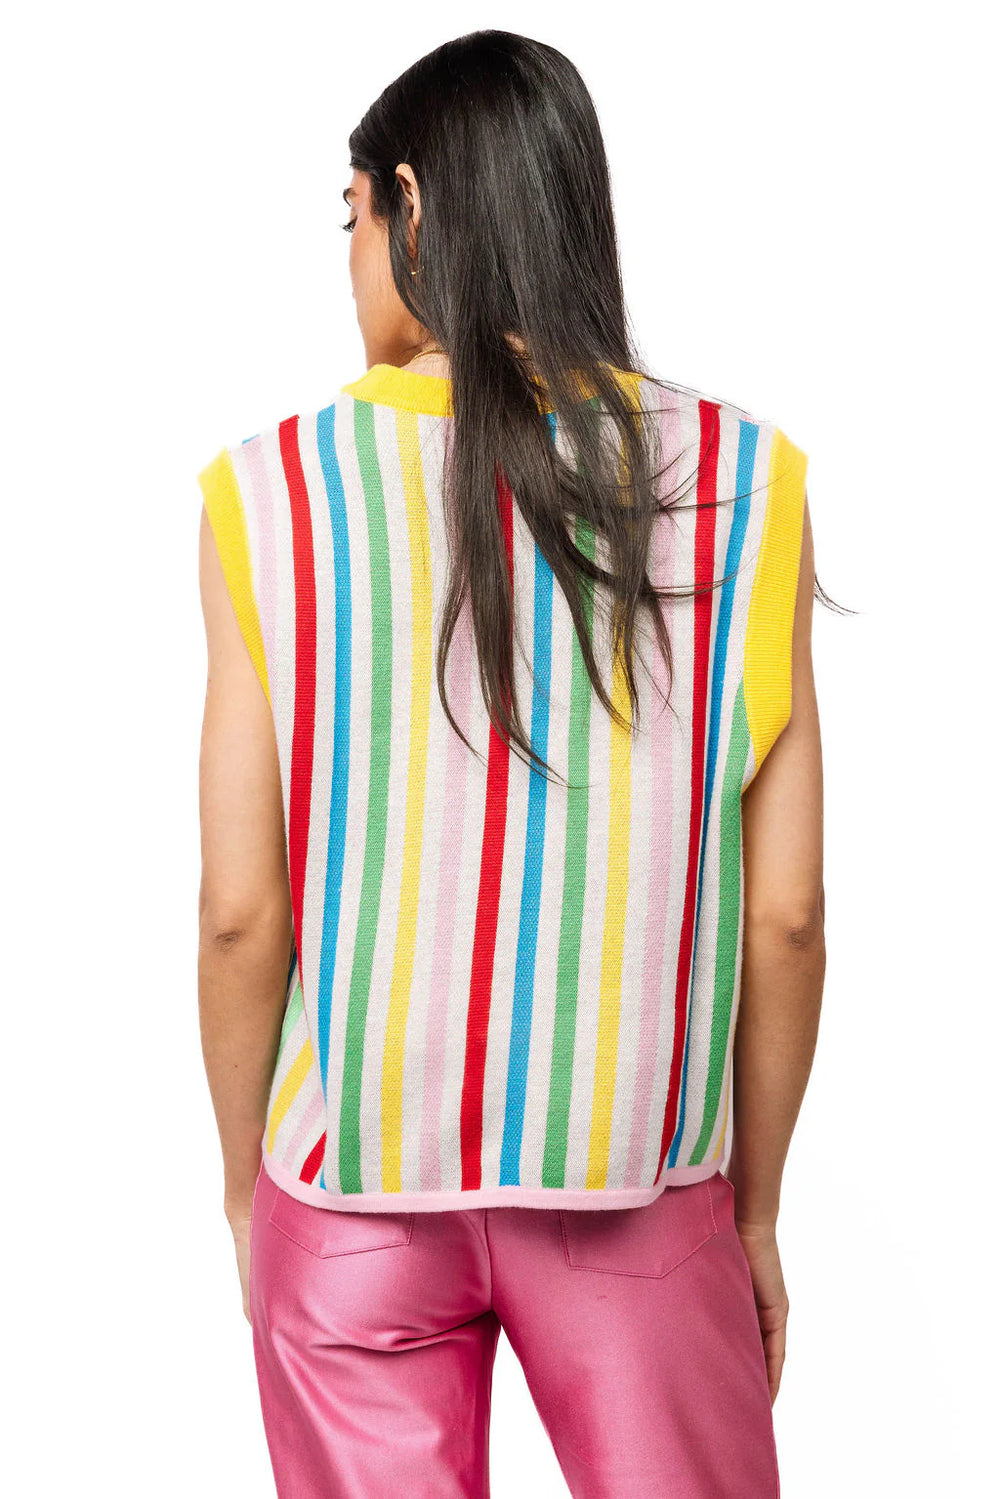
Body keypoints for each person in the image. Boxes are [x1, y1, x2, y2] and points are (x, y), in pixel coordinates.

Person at [196, 28, 826, 1499]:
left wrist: (242, 1192)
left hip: (348, 1187)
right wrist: (753, 1215)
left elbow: (239, 911)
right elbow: (788, 915)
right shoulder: (742, 479)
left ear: (411, 204)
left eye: (351, 220)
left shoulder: (271, 492)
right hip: (641, 1183)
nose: (350, 261)